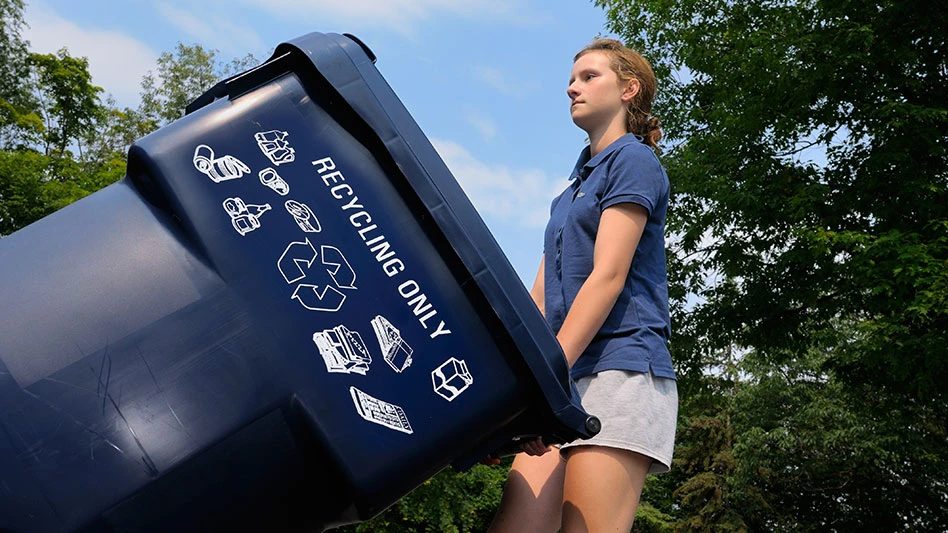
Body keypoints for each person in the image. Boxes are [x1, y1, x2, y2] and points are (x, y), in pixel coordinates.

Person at [487, 38, 678, 533]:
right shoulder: (569, 192)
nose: (573, 87)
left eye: (589, 77)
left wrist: (545, 378)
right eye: (571, 80)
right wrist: (513, 391)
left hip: (619, 371)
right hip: (563, 380)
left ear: (629, 89)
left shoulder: (633, 161)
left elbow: (608, 277)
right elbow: (539, 297)